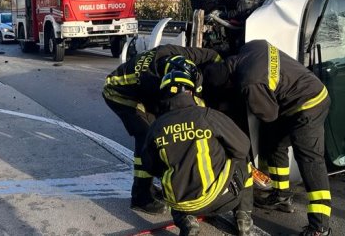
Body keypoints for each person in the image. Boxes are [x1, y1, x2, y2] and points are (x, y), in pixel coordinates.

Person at [202, 39, 332, 236]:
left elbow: (269, 115)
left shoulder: (249, 83)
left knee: (310, 160)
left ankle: (320, 226)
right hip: (301, 93)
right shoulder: (251, 46)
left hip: (309, 103)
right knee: (272, 143)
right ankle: (282, 196)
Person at [102, 44, 222, 214]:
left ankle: (152, 188)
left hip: (141, 91)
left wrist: (223, 69)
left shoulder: (180, 53)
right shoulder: (153, 82)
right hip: (118, 93)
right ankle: (141, 196)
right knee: (148, 136)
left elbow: (213, 53)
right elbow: (170, 118)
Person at [142, 62, 253, 236]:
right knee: (245, 162)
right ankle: (243, 221)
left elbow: (151, 167)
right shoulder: (207, 116)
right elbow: (243, 147)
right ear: (192, 92)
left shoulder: (156, 127)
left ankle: (187, 222)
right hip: (220, 200)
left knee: (170, 182)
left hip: (181, 205)